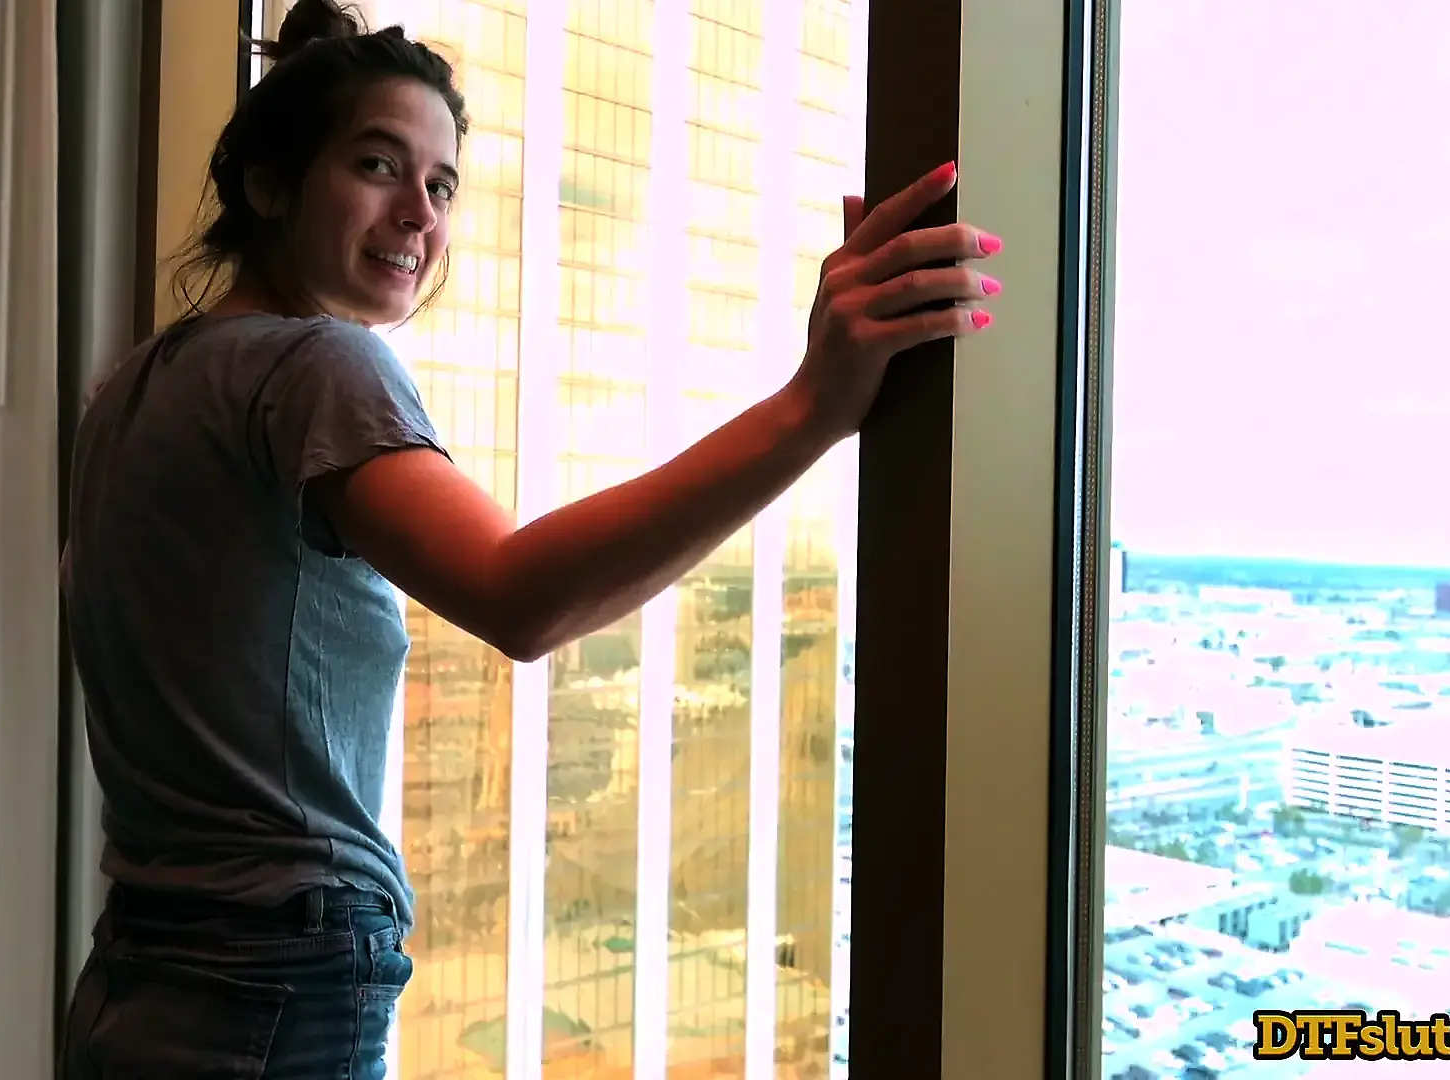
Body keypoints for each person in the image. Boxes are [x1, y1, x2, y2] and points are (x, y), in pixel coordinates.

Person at [55, 0, 1002, 1076]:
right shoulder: (314, 368)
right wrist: (812, 408)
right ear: (270, 186)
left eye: (442, 185)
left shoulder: (130, 387)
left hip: (136, 968)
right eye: (377, 165)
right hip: (274, 976)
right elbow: (519, 595)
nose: (419, 214)